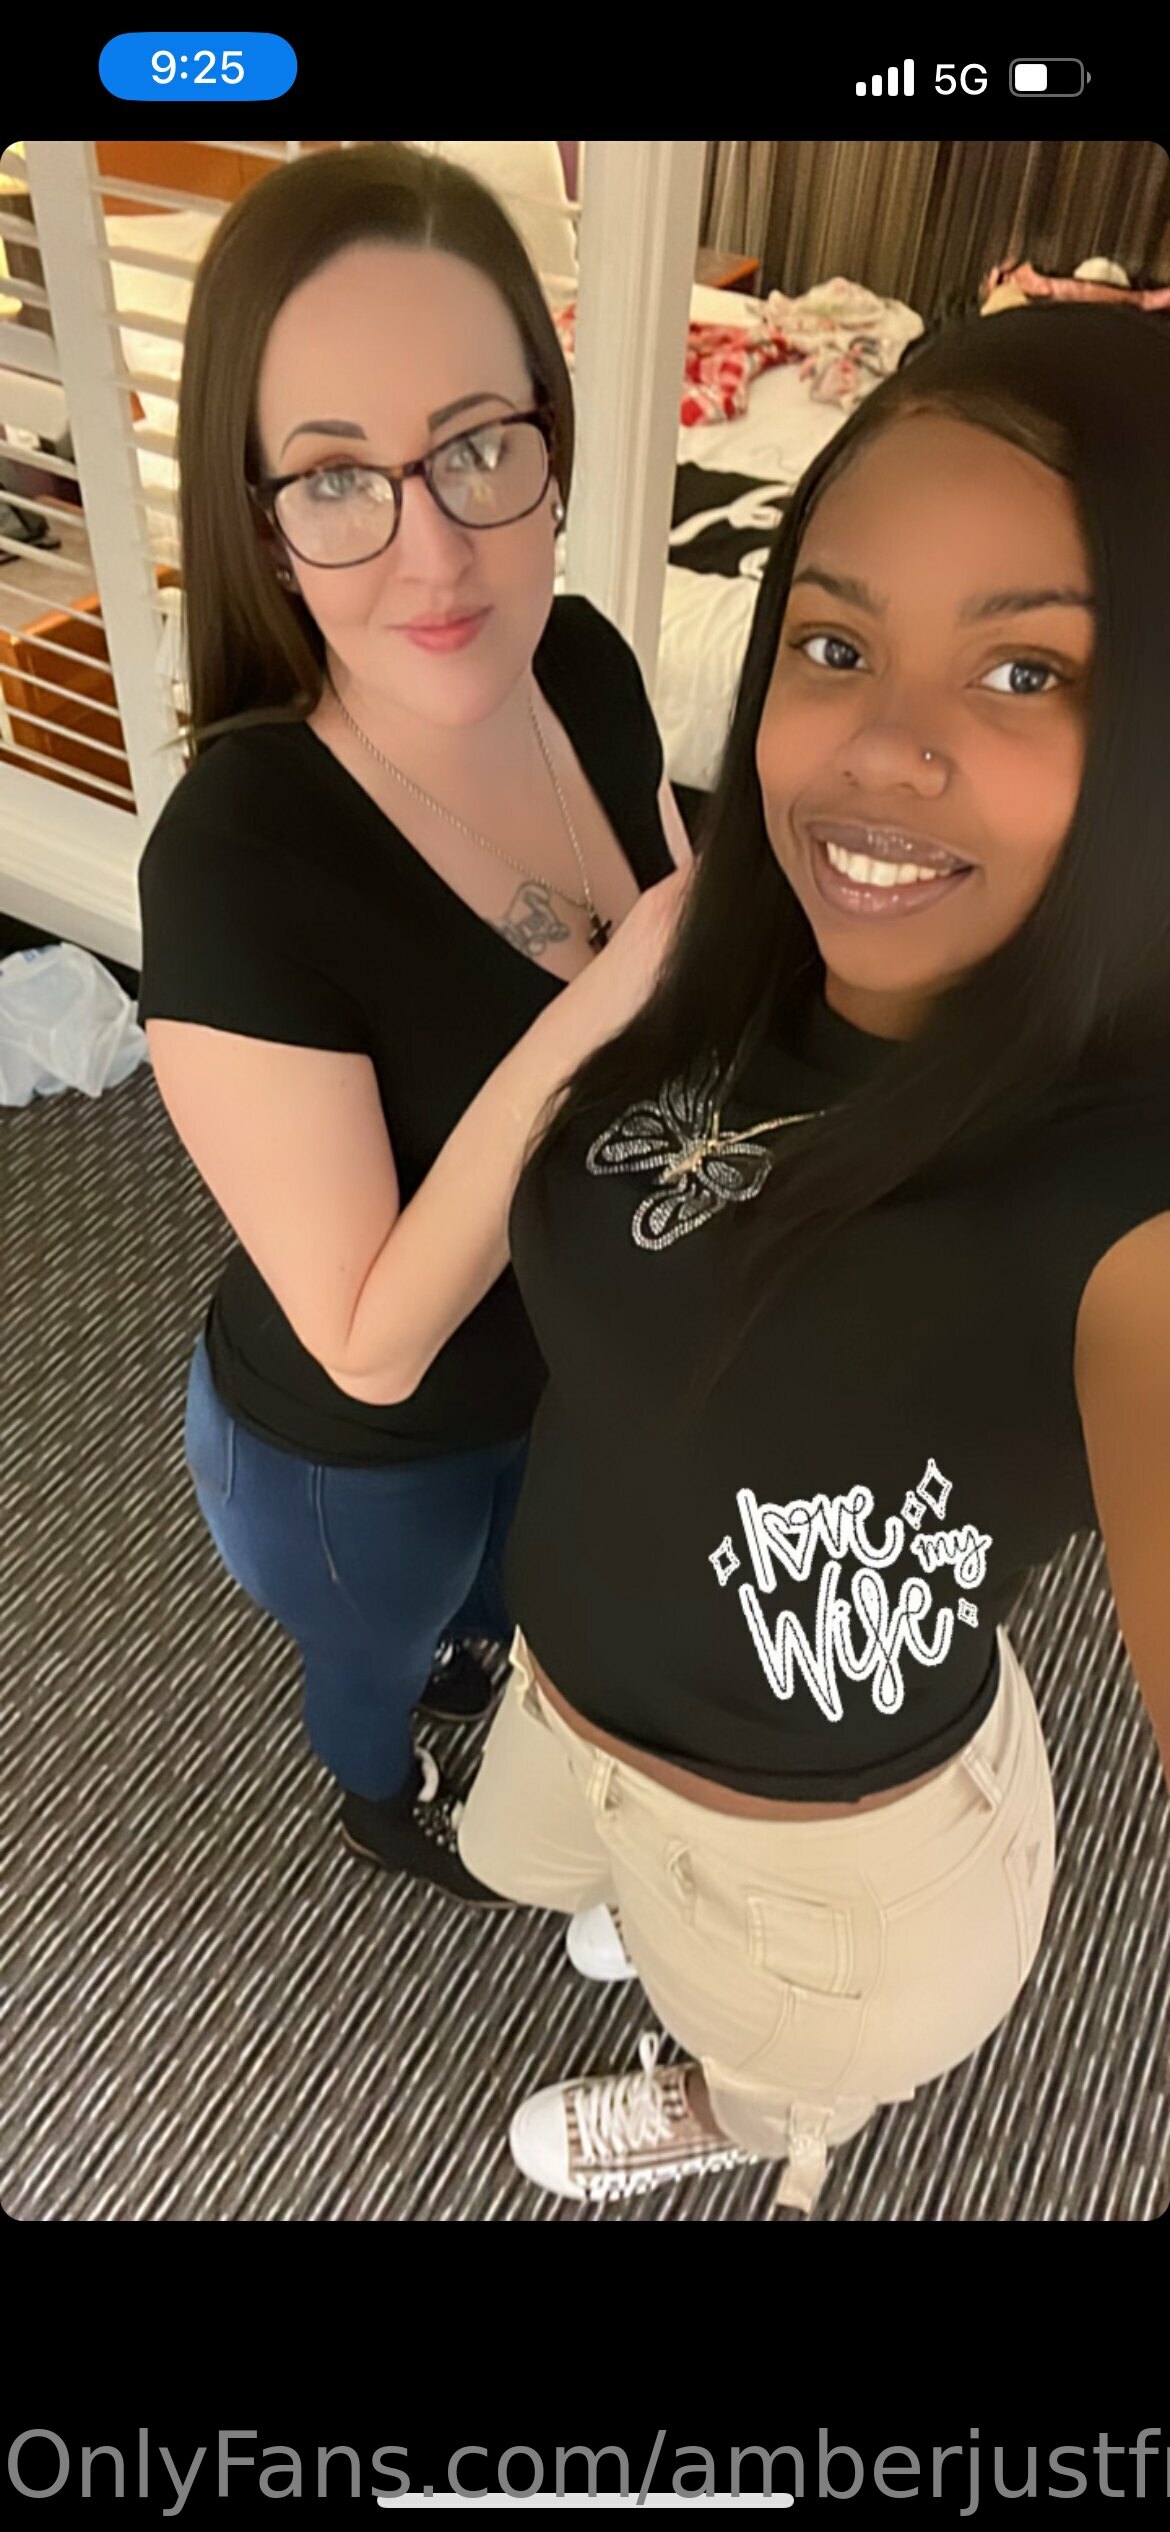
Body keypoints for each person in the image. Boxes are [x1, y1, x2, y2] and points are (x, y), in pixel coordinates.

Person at [438, 301, 1169, 2215]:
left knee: (775, 2058)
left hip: (819, 1870)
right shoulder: (747, 958)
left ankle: (737, 2113)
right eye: (834, 646)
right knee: (545, 1866)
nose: (879, 752)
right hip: (570, 1691)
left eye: (1024, 671)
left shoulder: (1113, 1194)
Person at [137, 143, 691, 1905]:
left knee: (513, 1606)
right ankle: (378, 1800)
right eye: (334, 479)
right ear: (261, 522)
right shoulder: (237, 857)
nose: (434, 550)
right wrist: (616, 997)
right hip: (355, 1457)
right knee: (382, 1659)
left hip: (570, 1382)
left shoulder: (583, 664)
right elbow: (371, 1342)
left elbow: (680, 952)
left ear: (548, 442)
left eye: (473, 447)